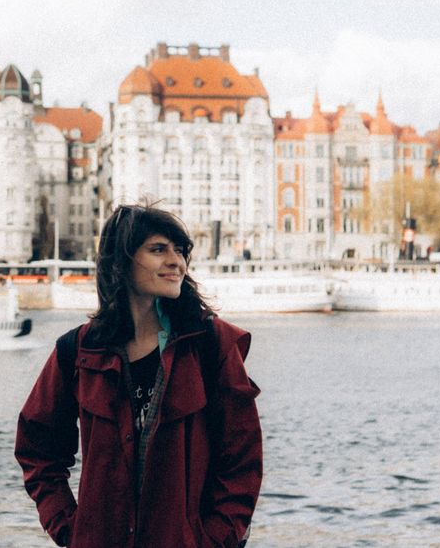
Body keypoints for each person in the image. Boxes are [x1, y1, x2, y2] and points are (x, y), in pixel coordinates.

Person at [16, 204, 262, 547]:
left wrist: (214, 538)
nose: (176, 261)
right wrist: (70, 527)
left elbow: (242, 459)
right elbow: (37, 445)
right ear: (122, 261)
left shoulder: (211, 345)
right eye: (158, 249)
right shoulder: (79, 350)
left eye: (180, 250)